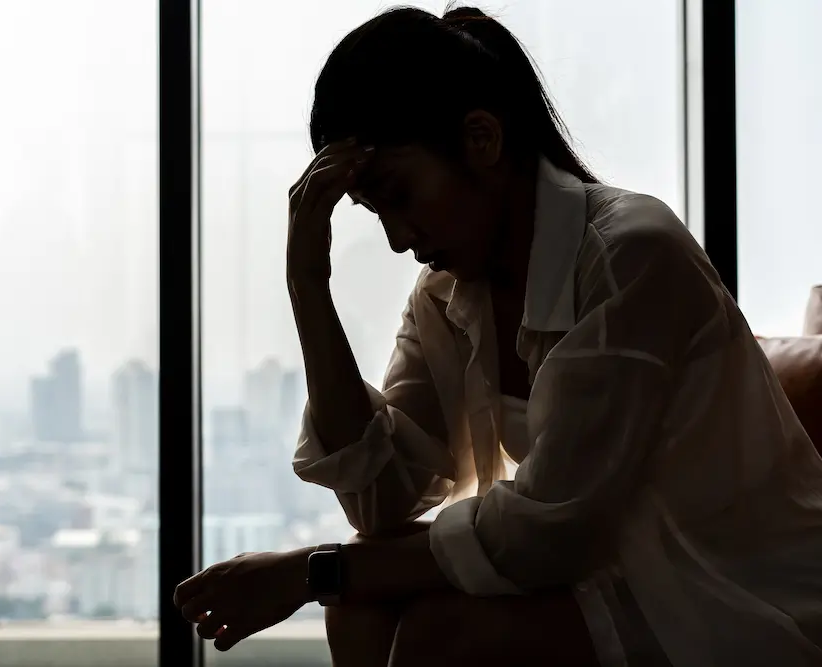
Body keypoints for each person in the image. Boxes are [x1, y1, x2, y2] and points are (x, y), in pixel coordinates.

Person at [175, 6, 822, 666]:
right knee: (359, 608)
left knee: (439, 633)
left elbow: (549, 531)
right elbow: (382, 500)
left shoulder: (630, 255)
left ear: (481, 139)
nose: (397, 238)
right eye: (375, 212)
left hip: (735, 588)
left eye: (400, 194)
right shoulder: (447, 294)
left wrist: (309, 571)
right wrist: (308, 286)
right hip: (618, 576)